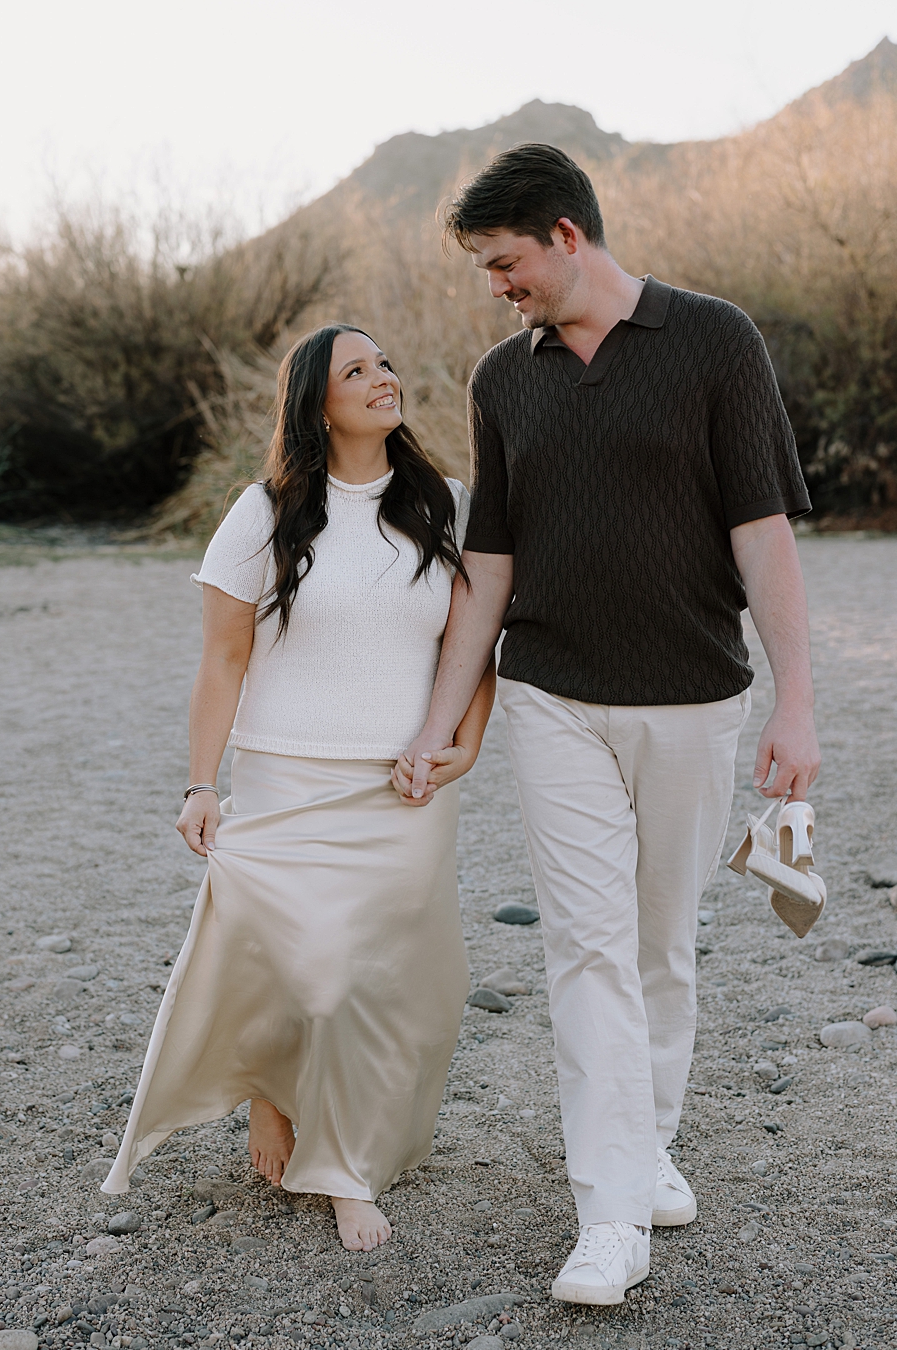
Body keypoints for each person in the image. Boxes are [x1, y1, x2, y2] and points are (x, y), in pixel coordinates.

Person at [404, 143, 818, 1305]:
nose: (498, 284)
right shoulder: (502, 377)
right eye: (487, 269)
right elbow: (487, 565)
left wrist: (795, 702)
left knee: (658, 946)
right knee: (584, 950)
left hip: (692, 695)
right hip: (551, 696)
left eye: (505, 262)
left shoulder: (711, 342)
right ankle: (608, 1219)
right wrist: (443, 719)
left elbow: (762, 534)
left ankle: (649, 1146)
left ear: (566, 235)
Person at [104, 322, 497, 1253]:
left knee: (397, 987)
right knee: (312, 972)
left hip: (404, 790)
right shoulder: (263, 512)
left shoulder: (450, 506)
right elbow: (221, 659)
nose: (382, 379)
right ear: (314, 403)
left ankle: (309, 1115)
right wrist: (203, 783)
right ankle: (340, 1163)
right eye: (354, 371)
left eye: (386, 363)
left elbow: (476, 651)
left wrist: (466, 748)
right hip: (285, 779)